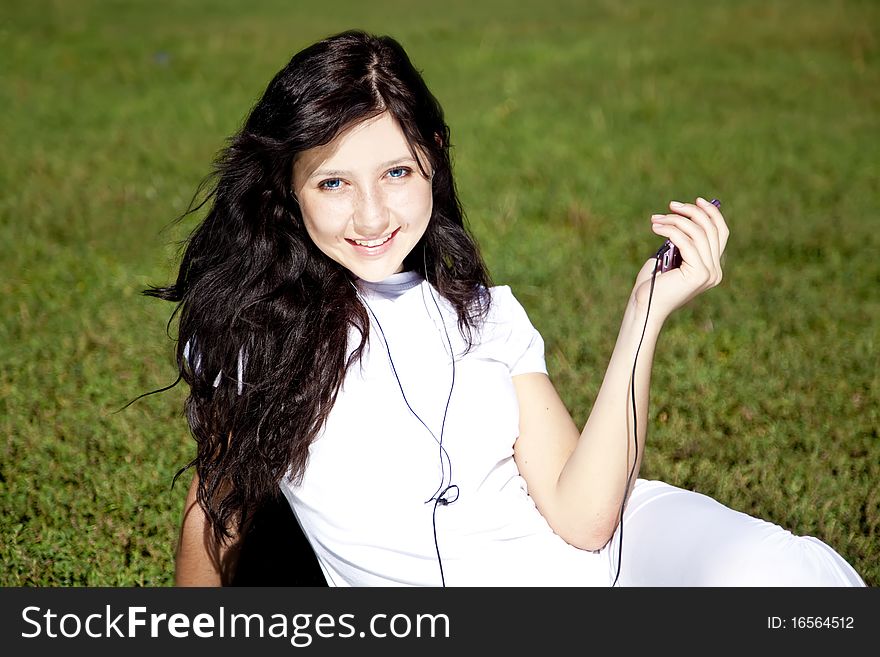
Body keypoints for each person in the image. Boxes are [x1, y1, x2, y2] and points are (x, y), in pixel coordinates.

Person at [149, 30, 865, 587]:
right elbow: (217, 513)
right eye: (334, 183)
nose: (371, 214)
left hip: (613, 562)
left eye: (396, 172)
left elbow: (585, 518)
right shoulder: (251, 335)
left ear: (433, 155)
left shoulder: (485, 313)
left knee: (790, 576)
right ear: (291, 189)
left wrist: (645, 313)